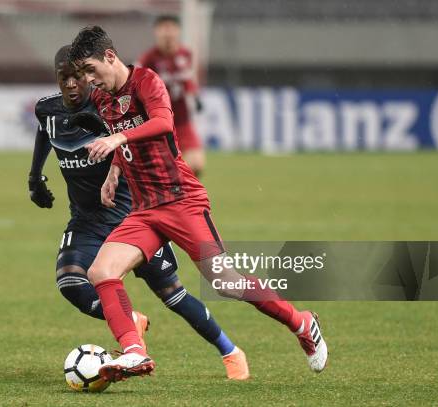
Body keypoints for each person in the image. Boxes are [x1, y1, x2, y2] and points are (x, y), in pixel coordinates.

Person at [68, 26, 328, 382]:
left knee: (225, 281)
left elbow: (163, 122)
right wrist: (115, 171)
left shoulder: (146, 81)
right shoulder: (102, 99)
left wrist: (118, 138)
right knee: (101, 272)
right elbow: (126, 145)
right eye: (82, 74)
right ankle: (134, 352)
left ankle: (301, 322)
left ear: (110, 57)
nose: (89, 80)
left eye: (91, 70)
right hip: (144, 209)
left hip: (181, 201)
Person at [28, 45, 249, 380]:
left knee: (173, 295)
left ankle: (229, 350)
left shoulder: (109, 106)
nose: (73, 84)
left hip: (133, 216)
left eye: (79, 76)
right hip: (86, 219)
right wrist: (35, 176)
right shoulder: (47, 109)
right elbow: (46, 132)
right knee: (71, 281)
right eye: (65, 78)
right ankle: (132, 329)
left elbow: (150, 130)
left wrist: (115, 152)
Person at [137, 15, 205, 177]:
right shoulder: (148, 59)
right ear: (157, 32)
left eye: (172, 29)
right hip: (161, 122)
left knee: (196, 164)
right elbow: (137, 85)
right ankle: (177, 196)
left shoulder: (186, 54)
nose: (168, 34)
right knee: (168, 170)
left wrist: (195, 95)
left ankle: (182, 195)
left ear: (178, 32)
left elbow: (187, 79)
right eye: (164, 29)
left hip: (183, 120)